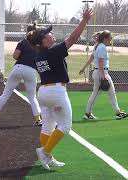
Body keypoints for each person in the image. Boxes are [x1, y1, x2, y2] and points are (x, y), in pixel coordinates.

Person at [28, 9, 93, 170]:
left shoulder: (39, 55)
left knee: (47, 127)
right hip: (56, 93)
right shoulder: (52, 52)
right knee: (65, 126)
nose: (51, 35)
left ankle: (48, 157)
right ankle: (45, 152)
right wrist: (84, 20)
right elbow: (73, 38)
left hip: (43, 92)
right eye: (47, 35)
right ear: (42, 42)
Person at [0, 23, 42, 126]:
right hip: (31, 70)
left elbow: (15, 56)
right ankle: (38, 119)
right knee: (32, 97)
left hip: (18, 68)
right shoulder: (39, 45)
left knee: (6, 94)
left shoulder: (22, 42)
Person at [80, 30, 128, 120]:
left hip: (100, 72)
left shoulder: (98, 46)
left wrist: (84, 68)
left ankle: (117, 112)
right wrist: (103, 76)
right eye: (110, 37)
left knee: (108, 92)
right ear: (105, 38)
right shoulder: (101, 47)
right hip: (101, 72)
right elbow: (100, 61)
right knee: (98, 94)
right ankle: (88, 114)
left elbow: (93, 58)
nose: (111, 39)